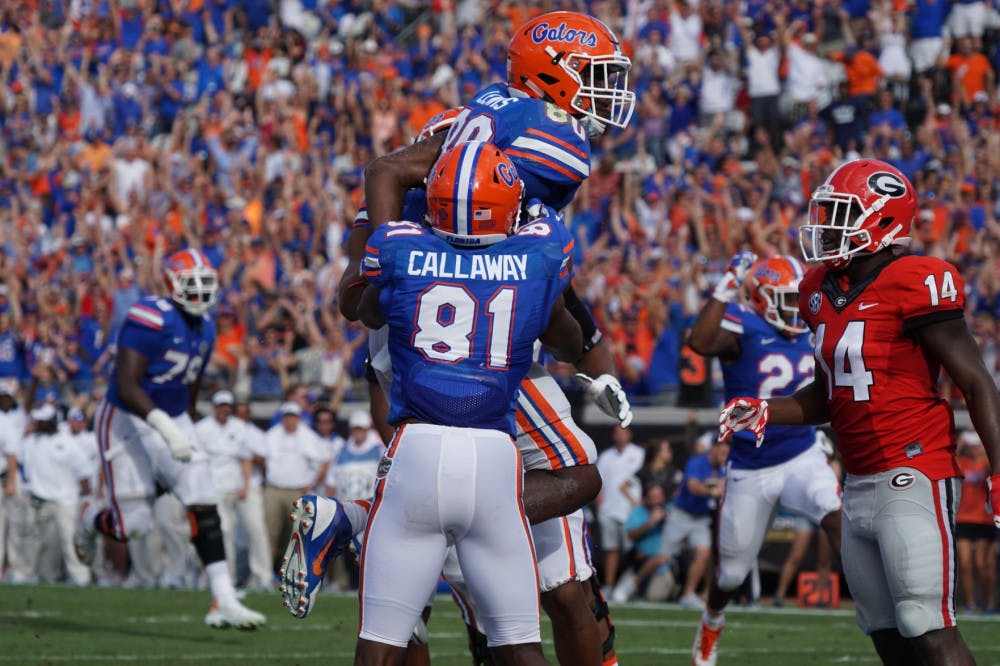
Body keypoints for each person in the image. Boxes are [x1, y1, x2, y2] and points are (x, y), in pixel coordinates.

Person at [286, 13, 637, 666]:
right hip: (474, 347)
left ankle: (374, 524)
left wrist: (389, 267)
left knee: (443, 570)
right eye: (594, 76)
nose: (605, 91)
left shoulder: (467, 124)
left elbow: (352, 296)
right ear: (550, 74)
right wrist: (586, 349)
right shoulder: (544, 137)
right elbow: (540, 288)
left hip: (418, 345)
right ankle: (361, 518)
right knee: (572, 492)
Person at [719, 158, 1000, 666]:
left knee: (925, 622)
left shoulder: (916, 279)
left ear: (883, 221)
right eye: (826, 212)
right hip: (858, 480)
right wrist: (766, 409)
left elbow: (976, 380)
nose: (826, 226)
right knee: (885, 633)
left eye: (840, 213)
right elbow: (831, 394)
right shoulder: (818, 290)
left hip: (915, 468)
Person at [355, 142, 582, 665]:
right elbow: (568, 339)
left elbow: (368, 312)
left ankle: (351, 520)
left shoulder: (396, 246)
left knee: (380, 646)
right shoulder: (540, 253)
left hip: (418, 449)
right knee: (521, 646)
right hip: (494, 457)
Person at [74, 248, 265, 629]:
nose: (201, 295)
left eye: (205, 286)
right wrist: (169, 429)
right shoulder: (149, 317)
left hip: (173, 416)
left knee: (202, 496)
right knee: (134, 527)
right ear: (172, 286)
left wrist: (185, 429)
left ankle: (222, 597)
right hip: (126, 421)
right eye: (192, 287)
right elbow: (127, 386)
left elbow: (188, 388)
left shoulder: (205, 327)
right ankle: (89, 518)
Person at [688, 253, 843, 666]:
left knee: (835, 511)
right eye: (785, 299)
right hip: (750, 468)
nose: (794, 307)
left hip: (802, 453)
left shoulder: (811, 324)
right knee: (731, 575)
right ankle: (711, 620)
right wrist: (725, 284)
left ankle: (878, 608)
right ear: (759, 298)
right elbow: (699, 343)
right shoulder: (745, 325)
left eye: (796, 298)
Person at [194, 390, 271, 591]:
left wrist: (245, 485)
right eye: (221, 406)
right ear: (214, 407)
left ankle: (262, 577)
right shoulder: (201, 429)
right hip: (214, 488)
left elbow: (245, 457)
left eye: (227, 406)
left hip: (239, 486)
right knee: (223, 532)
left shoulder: (239, 427)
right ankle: (226, 578)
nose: (224, 410)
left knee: (256, 528)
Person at [19, 403, 92, 585]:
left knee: (69, 540)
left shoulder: (67, 443)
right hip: (38, 499)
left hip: (64, 500)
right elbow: (18, 462)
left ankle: (80, 577)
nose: (38, 423)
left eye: (42, 421)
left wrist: (85, 498)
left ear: (51, 422)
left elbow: (84, 473)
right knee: (37, 541)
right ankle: (39, 575)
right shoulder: (31, 442)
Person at [662, 437, 730, 611]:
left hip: (700, 518)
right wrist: (715, 490)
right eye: (722, 451)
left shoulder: (721, 470)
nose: (724, 456)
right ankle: (630, 584)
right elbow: (693, 487)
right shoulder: (696, 462)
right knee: (662, 558)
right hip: (681, 515)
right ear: (714, 448)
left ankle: (688, 594)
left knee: (703, 553)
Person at [595, 425, 645, 593]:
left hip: (632, 512)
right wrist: (599, 506)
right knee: (611, 550)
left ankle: (630, 587)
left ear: (629, 434)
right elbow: (598, 484)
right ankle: (609, 586)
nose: (620, 436)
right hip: (609, 511)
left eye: (623, 432)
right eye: (617, 432)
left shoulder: (639, 454)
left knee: (635, 552)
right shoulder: (605, 457)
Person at [954, 431, 996, 613]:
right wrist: (960, 444)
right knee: (964, 564)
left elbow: (990, 462)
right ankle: (970, 604)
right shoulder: (961, 463)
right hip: (963, 518)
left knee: (982, 564)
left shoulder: (984, 463)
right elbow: (950, 459)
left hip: (983, 519)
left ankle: (988, 602)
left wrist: (983, 445)